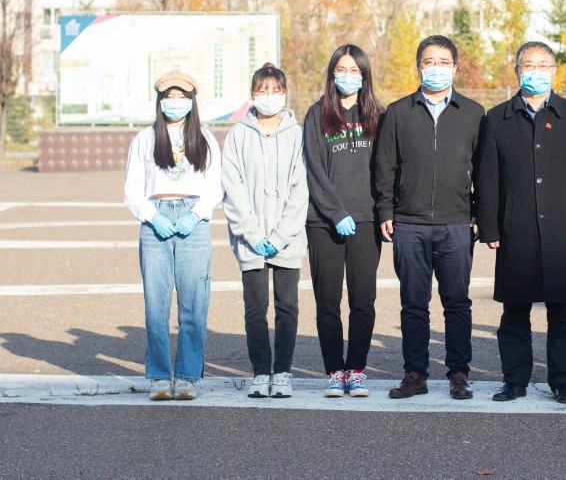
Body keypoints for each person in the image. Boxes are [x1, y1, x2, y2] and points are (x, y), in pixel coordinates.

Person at [475, 42, 566, 405]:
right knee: (515, 310)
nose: (535, 71)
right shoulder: (497, 117)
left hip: (562, 228)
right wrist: (491, 227)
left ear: (554, 71)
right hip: (516, 229)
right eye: (528, 65)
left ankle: (564, 380)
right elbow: (487, 179)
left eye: (543, 65)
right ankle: (515, 379)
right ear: (516, 70)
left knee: (563, 310)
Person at [374, 35, 485, 400]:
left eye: (442, 62)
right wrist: (386, 211)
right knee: (413, 303)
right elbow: (385, 166)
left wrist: (478, 214)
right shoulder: (398, 111)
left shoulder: (473, 113)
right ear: (418, 66)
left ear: (454, 67)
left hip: (456, 223)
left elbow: (483, 170)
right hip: (409, 223)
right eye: (428, 61)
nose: (435, 68)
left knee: (457, 301)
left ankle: (458, 373)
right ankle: (415, 373)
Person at [123, 70, 222, 401]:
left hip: (193, 221)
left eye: (182, 97)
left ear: (192, 101)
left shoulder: (204, 138)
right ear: (159, 101)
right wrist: (153, 217)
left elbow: (215, 187)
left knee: (194, 303)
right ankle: (159, 376)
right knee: (156, 303)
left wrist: (195, 215)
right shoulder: (145, 139)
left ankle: (189, 376)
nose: (175, 103)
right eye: (169, 97)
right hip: (156, 221)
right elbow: (133, 189)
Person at [222, 64, 308, 399]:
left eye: (276, 90)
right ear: (252, 95)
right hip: (251, 242)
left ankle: (283, 372)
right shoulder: (238, 135)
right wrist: (254, 234)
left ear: (285, 93)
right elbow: (233, 187)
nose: (269, 97)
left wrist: (280, 235)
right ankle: (261, 372)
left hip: (287, 239)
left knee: (287, 306)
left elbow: (302, 189)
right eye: (263, 90)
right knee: (255, 308)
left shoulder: (297, 134)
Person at [304, 45, 384, 398]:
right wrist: (336, 214)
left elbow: (387, 169)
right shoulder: (317, 114)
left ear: (365, 75)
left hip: (366, 220)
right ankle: (335, 370)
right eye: (342, 68)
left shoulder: (379, 115)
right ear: (332, 72)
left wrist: (384, 212)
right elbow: (315, 170)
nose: (348, 74)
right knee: (328, 300)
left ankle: (356, 368)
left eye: (355, 69)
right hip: (324, 222)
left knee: (363, 299)